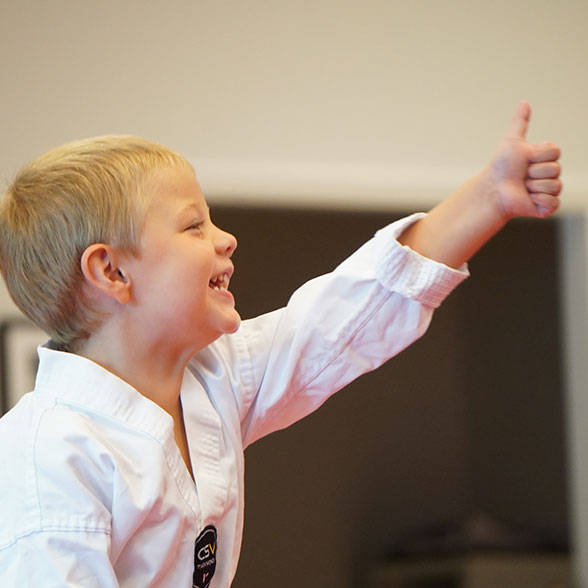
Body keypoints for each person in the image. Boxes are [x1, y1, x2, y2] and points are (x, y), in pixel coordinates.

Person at [0, 101, 561, 587]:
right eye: (194, 226)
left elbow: (341, 319)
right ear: (111, 271)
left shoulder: (211, 380)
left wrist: (490, 197)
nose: (226, 238)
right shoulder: (50, 453)